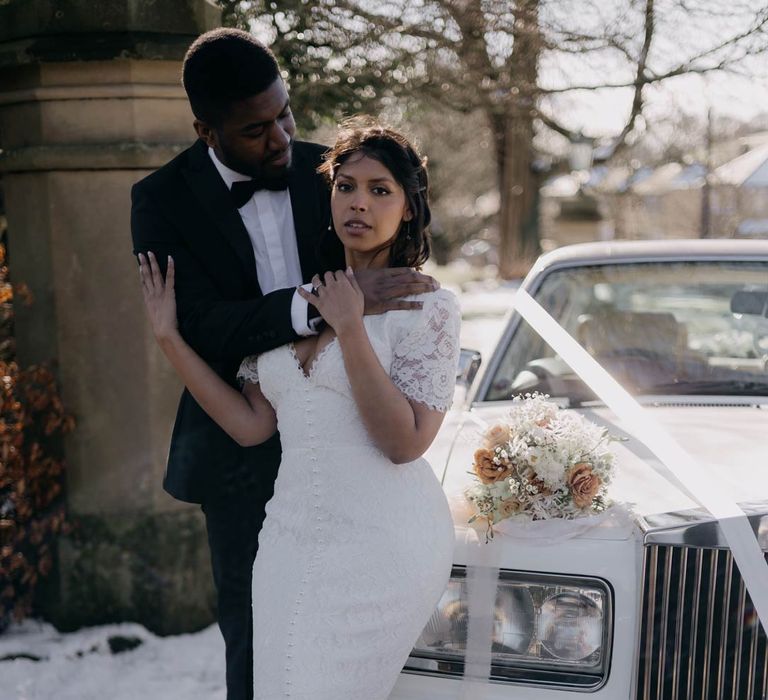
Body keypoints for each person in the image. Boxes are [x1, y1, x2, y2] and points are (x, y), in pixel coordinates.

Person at [130, 28, 438, 700]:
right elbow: (204, 322)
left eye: (285, 114)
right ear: (206, 131)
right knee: (257, 635)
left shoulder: (329, 172)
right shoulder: (159, 201)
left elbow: (382, 261)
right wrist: (322, 306)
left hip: (351, 437)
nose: (279, 138)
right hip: (242, 443)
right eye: (255, 129)